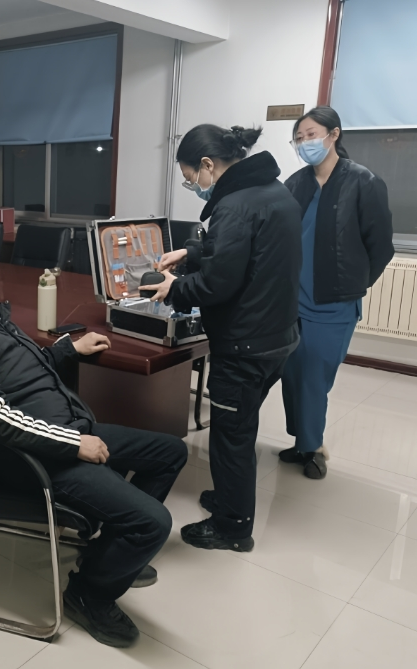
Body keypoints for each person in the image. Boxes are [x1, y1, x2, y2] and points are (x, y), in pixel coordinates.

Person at [0, 247, 187, 649]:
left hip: (68, 431)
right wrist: (74, 444)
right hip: (40, 459)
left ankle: (108, 552)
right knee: (153, 523)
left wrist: (66, 350)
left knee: (170, 453)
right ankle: (88, 595)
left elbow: (20, 373)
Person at [141, 125, 302, 552]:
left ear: (207, 165)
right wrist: (192, 252)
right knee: (241, 425)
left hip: (245, 344)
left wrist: (173, 287)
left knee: (231, 436)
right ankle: (232, 497)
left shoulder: (234, 206)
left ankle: (233, 527)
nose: (193, 185)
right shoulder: (274, 192)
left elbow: (217, 284)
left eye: (190, 177)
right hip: (279, 335)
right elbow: (251, 251)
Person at [278, 106, 394, 479]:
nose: (304, 143)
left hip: (333, 304)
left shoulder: (363, 181)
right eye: (298, 138)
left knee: (315, 378)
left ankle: (313, 448)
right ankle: (302, 441)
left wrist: (353, 283)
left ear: (334, 134)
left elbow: (381, 246)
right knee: (292, 375)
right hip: (292, 301)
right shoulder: (294, 184)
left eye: (311, 135)